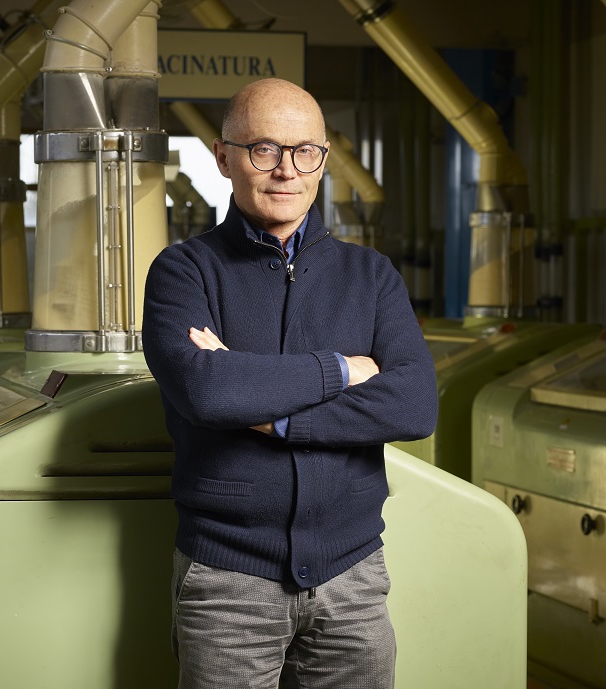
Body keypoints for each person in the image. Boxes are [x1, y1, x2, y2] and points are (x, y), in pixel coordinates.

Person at [142, 77, 438, 689]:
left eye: (305, 152)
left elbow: (413, 405)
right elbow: (207, 392)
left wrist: (270, 415)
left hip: (353, 577)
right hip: (228, 584)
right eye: (264, 150)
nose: (287, 170)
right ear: (223, 157)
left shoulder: (371, 275)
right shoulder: (183, 272)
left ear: (323, 160)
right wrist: (342, 371)